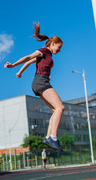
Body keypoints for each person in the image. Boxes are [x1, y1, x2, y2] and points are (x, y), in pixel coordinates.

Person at [4, 21, 64, 151]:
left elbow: (31, 62)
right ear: (52, 44)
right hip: (40, 82)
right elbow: (29, 57)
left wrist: (20, 72)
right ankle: (53, 137)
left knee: (55, 110)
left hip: (40, 83)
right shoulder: (43, 51)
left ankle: (48, 137)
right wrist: (13, 65)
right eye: (58, 47)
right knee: (60, 107)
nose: (59, 50)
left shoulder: (48, 56)